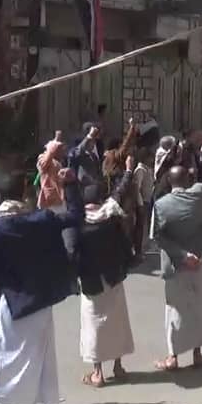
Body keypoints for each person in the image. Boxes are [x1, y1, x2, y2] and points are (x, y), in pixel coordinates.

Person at [0, 172, 83, 404]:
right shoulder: (42, 220)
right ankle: (49, 401)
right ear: (24, 192)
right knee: (43, 353)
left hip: (7, 305)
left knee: (5, 361)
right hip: (39, 300)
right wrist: (70, 184)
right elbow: (76, 216)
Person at [152, 139, 202, 370]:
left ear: (170, 182)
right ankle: (197, 354)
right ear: (188, 180)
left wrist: (182, 255)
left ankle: (173, 357)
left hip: (176, 265)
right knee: (200, 305)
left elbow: (158, 237)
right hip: (201, 259)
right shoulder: (199, 194)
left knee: (175, 310)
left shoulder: (161, 205)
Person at [77, 157, 137, 387]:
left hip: (91, 281)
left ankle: (98, 373)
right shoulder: (110, 216)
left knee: (93, 325)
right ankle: (118, 366)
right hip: (113, 277)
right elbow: (120, 193)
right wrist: (128, 170)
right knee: (117, 320)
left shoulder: (79, 224)